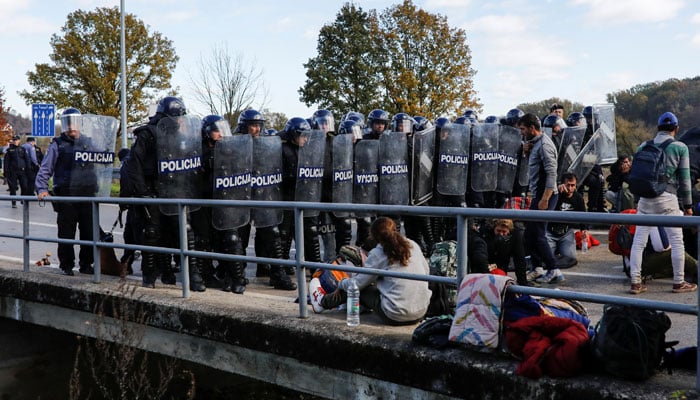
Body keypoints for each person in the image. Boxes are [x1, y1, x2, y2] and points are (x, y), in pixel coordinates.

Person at [124, 96, 205, 290]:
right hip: (153, 190)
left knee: (185, 232)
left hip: (176, 191)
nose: (179, 121)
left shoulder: (181, 136)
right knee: (152, 233)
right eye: (176, 117)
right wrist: (143, 193)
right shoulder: (148, 134)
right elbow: (135, 166)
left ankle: (192, 276)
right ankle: (150, 275)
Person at [628, 111, 697, 294]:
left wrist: (637, 199)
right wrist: (688, 206)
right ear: (676, 128)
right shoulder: (680, 147)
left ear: (658, 128)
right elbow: (685, 179)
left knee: (639, 242)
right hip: (667, 198)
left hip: (645, 199)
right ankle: (679, 282)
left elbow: (637, 174)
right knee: (676, 241)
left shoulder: (644, 145)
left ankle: (635, 282)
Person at [322, 217, 432, 325]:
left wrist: (341, 283)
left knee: (356, 288)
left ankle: (322, 302)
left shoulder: (377, 253)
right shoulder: (413, 244)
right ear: (395, 229)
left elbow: (357, 284)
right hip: (421, 312)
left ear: (373, 237)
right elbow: (426, 272)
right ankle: (329, 302)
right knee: (370, 283)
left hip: (395, 316)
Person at [236, 110, 296, 290]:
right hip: (242, 198)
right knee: (240, 238)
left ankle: (277, 274)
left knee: (273, 234)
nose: (256, 129)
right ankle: (236, 275)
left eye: (259, 125)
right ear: (243, 126)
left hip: (263, 197)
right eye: (253, 125)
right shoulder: (234, 145)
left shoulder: (267, 145)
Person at [35, 108, 96, 275]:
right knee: (66, 233)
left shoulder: (88, 143)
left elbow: (101, 166)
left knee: (89, 233)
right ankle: (67, 265)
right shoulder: (58, 144)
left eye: (74, 122)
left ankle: (86, 264)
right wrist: (41, 189)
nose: (71, 127)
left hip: (87, 195)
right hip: (66, 195)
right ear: (64, 125)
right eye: (68, 123)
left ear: (80, 124)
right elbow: (46, 168)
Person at [517, 113, 561, 284]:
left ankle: (554, 269)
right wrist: (527, 153)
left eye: (522, 129)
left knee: (539, 233)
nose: (521, 133)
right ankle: (537, 268)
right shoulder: (535, 144)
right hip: (539, 194)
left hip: (546, 195)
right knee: (529, 234)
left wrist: (545, 198)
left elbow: (551, 172)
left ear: (531, 128)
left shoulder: (544, 145)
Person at [540, 172, 588, 283]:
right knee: (545, 259)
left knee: (570, 259)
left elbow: (583, 216)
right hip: (550, 232)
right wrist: (556, 193)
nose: (570, 188)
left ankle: (557, 251)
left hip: (566, 233)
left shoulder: (578, 198)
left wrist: (584, 230)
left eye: (573, 185)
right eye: (568, 185)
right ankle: (553, 252)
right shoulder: (555, 195)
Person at [4, 134, 32, 208]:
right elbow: (6, 162)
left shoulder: (22, 149)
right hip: (13, 171)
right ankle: (14, 202)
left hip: (22, 171)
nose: (15, 141)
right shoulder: (9, 150)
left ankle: (22, 199)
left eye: (16, 140)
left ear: (19, 141)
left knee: (25, 186)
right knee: (13, 188)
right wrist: (6, 172)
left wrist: (28, 169)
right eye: (14, 140)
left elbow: (27, 159)